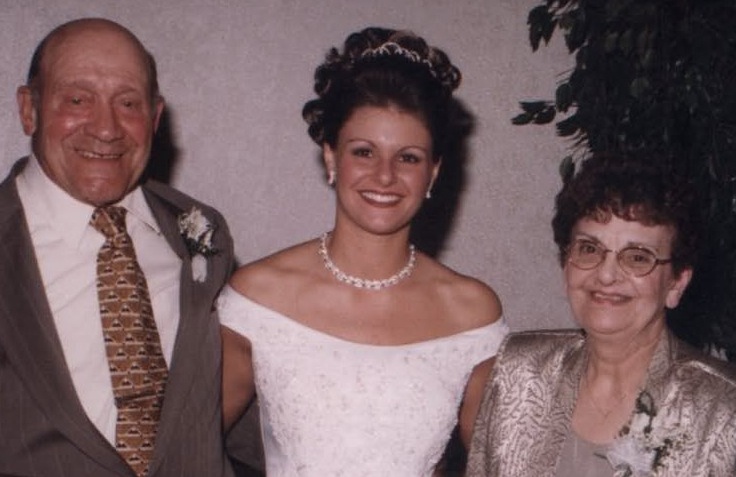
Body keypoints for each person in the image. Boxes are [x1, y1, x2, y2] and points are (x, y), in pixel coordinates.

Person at [219, 27, 508, 476]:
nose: (385, 175)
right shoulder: (258, 297)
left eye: (408, 157)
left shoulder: (472, 313)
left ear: (433, 173)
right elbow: (184, 445)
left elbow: (504, 465)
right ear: (331, 157)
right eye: (364, 152)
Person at [0, 18, 240, 476]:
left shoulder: (203, 233)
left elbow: (232, 408)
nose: (106, 129)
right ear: (28, 109)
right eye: (77, 99)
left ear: (154, 117)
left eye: (128, 103)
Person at [466, 154, 736, 476]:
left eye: (637, 257)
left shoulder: (722, 409)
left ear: (677, 283)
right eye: (589, 249)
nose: (606, 275)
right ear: (566, 264)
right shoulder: (517, 374)